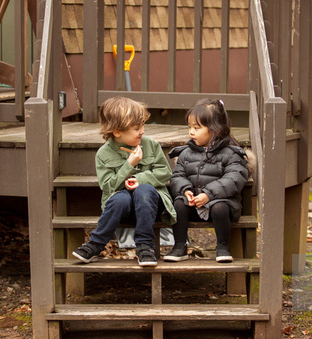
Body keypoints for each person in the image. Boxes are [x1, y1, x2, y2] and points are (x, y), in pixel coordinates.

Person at [72, 97, 176, 267]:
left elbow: (165, 173)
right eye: (136, 128)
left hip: (151, 206)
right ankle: (95, 244)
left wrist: (139, 179)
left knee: (144, 191)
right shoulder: (103, 154)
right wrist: (129, 165)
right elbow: (107, 186)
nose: (142, 131)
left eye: (142, 126)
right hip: (122, 208)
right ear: (117, 131)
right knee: (120, 198)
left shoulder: (151, 145)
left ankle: (145, 246)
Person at [164, 99, 250, 263]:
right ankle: (179, 246)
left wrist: (209, 194)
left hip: (221, 203)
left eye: (197, 128)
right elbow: (177, 176)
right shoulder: (186, 154)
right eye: (190, 127)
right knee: (179, 204)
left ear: (215, 130)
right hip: (194, 203)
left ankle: (223, 247)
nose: (191, 132)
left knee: (220, 207)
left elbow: (234, 178)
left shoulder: (231, 154)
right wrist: (185, 191)